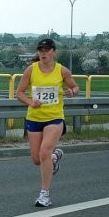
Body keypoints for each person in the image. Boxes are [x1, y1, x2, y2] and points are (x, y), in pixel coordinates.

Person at [16, 38, 79, 208]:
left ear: (53, 52)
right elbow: (19, 93)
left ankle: (44, 195)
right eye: (40, 50)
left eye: (47, 50)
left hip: (54, 118)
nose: (43, 53)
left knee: (44, 152)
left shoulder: (62, 70)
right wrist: (31, 102)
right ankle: (55, 157)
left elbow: (75, 87)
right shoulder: (31, 70)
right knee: (37, 159)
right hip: (34, 118)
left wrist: (72, 92)